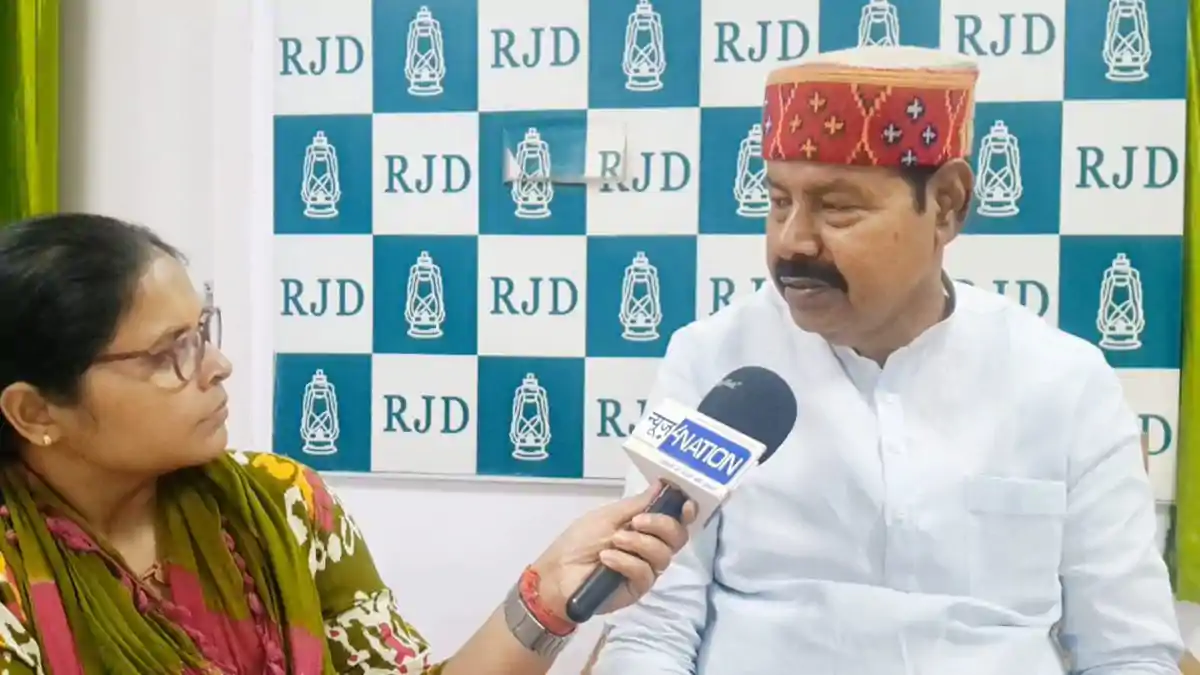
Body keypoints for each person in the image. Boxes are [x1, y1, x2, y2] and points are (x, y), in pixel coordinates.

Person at [588, 45, 1185, 674]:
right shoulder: (713, 362)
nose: (792, 241)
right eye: (779, 201)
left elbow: (1130, 653)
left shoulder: (1066, 382)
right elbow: (650, 632)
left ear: (947, 203)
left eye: (837, 207)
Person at [0, 212, 697, 674]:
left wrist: (546, 595)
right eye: (167, 353)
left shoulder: (282, 504)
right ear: (35, 411)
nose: (216, 365)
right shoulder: (13, 581)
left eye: (203, 331)